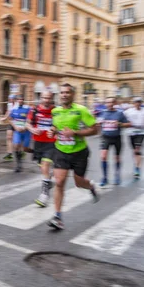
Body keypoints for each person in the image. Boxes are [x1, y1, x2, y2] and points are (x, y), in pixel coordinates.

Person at [46, 84, 99, 230]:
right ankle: (58, 217)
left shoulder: (81, 110)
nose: (64, 95)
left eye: (67, 92)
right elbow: (55, 127)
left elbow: (95, 130)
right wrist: (52, 131)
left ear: (73, 95)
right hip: (61, 151)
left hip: (79, 152)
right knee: (59, 182)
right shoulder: (55, 111)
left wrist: (75, 133)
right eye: (62, 92)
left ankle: (91, 186)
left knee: (79, 183)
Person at [26, 90, 56, 207]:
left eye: (48, 98)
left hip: (51, 143)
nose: (46, 100)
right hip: (38, 143)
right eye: (44, 98)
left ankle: (44, 195)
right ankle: (49, 181)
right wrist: (32, 129)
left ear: (52, 98)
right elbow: (27, 124)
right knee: (43, 169)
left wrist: (53, 130)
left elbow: (59, 124)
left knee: (45, 165)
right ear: (41, 98)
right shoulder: (34, 110)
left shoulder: (55, 111)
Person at [97, 96, 130, 186]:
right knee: (103, 157)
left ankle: (117, 176)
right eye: (107, 102)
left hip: (116, 137)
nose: (109, 104)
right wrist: (98, 123)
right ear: (105, 104)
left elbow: (128, 124)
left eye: (111, 102)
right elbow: (96, 122)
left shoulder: (119, 113)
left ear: (115, 103)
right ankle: (104, 178)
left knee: (117, 158)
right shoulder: (102, 113)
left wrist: (119, 124)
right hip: (105, 137)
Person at [124, 96, 144, 180]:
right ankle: (137, 162)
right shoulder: (128, 111)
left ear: (141, 103)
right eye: (136, 102)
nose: (138, 103)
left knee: (137, 149)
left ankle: (137, 169)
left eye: (139, 102)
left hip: (142, 132)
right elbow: (123, 120)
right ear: (133, 103)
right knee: (134, 151)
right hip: (131, 132)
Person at [7, 94, 31, 173]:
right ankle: (18, 164)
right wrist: (15, 127)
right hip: (17, 131)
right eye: (19, 99)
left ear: (23, 100)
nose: (20, 101)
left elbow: (29, 119)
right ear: (16, 100)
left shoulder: (27, 108)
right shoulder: (14, 109)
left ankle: (36, 154)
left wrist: (25, 127)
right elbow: (10, 119)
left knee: (25, 148)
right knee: (16, 146)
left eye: (22, 99)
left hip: (26, 131)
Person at [1, 94, 16, 161]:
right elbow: (8, 111)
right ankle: (9, 154)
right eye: (9, 99)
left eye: (11, 99)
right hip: (11, 122)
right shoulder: (9, 104)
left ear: (14, 99)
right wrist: (4, 117)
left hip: (17, 123)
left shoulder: (18, 105)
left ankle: (21, 151)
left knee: (17, 139)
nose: (10, 100)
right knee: (9, 137)